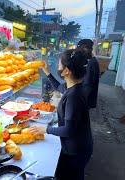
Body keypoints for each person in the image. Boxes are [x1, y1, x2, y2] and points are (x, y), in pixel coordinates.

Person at [29, 49, 93, 180]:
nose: (57, 67)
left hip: (75, 151)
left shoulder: (73, 97)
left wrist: (46, 129)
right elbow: (59, 87)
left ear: (67, 71)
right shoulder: (75, 87)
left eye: (59, 65)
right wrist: (47, 72)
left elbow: (69, 130)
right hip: (80, 145)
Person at [76, 39, 100, 109]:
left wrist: (78, 101)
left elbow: (87, 85)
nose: (79, 52)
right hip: (86, 100)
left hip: (84, 102)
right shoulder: (91, 61)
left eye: (80, 50)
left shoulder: (91, 63)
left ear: (86, 49)